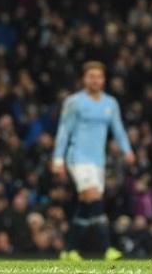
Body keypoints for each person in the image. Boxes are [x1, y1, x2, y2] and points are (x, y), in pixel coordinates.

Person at [52, 61, 135, 261]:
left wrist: (128, 150)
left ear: (103, 80)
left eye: (98, 76)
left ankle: (69, 250)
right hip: (78, 157)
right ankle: (107, 248)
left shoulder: (110, 103)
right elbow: (64, 130)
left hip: (98, 160)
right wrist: (57, 158)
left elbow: (118, 129)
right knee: (95, 198)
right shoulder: (74, 102)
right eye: (91, 76)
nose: (95, 80)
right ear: (84, 79)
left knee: (87, 205)